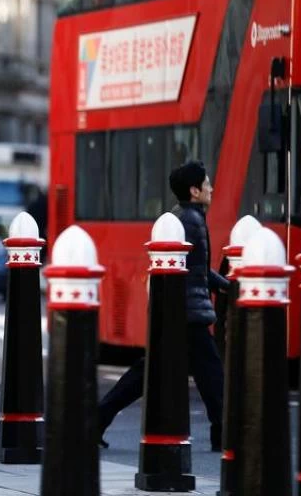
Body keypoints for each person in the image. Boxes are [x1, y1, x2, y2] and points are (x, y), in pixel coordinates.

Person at [97, 161, 228, 452]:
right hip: (188, 313)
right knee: (213, 376)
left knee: (146, 373)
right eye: (206, 184)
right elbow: (198, 270)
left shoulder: (181, 216)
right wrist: (222, 285)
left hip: (176, 309)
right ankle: (224, 434)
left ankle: (96, 419)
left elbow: (196, 268)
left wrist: (222, 283)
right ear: (194, 191)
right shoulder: (191, 220)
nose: (211, 188)